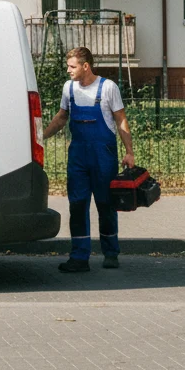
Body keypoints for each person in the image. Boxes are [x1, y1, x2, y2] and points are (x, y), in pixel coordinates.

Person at [42, 46, 135, 273]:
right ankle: (79, 257)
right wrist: (40, 136)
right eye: (68, 66)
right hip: (78, 157)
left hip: (103, 156)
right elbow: (62, 117)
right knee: (78, 204)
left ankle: (111, 253)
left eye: (72, 66)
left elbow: (121, 120)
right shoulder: (69, 88)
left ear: (86, 66)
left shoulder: (108, 88)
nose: (68, 70)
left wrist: (129, 152)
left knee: (106, 204)